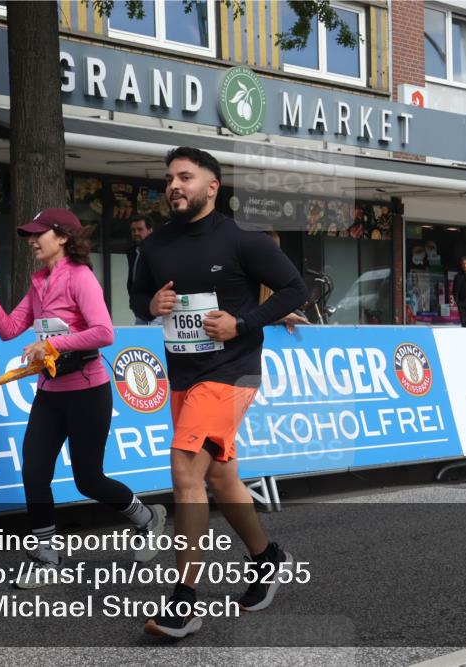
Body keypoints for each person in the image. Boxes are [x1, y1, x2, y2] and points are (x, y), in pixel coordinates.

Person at [131, 147, 308, 639]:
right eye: (169, 178)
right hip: (184, 375)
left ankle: (185, 602)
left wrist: (243, 322)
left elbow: (296, 290)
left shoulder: (242, 241)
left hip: (234, 371)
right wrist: (152, 303)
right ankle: (267, 558)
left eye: (185, 177)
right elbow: (136, 296)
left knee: (186, 471)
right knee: (222, 479)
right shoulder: (156, 245)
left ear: (212, 186)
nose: (174, 186)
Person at [0, 208, 166, 588]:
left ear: (62, 237)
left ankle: (148, 517)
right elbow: (9, 329)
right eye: (29, 235)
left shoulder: (80, 278)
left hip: (87, 392)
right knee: (33, 471)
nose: (32, 241)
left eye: (38, 234)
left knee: (89, 480)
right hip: (50, 393)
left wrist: (51, 342)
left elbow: (104, 332)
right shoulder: (39, 281)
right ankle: (47, 556)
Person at [126, 216, 160, 325]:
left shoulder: (158, 252)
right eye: (133, 230)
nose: (136, 233)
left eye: (140, 229)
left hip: (157, 312)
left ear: (150, 231)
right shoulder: (133, 252)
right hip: (140, 310)